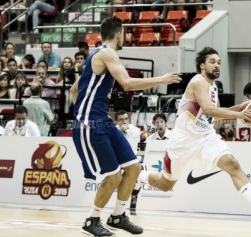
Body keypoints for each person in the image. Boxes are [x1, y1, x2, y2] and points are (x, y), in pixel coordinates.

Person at [134, 47, 251, 222]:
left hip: (205, 137)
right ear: (202, 65)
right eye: (212, 62)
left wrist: (242, 107)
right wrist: (239, 115)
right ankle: (140, 175)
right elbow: (209, 110)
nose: (217, 65)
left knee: (232, 163)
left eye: (219, 62)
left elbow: (217, 112)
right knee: (165, 185)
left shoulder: (214, 87)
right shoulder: (198, 82)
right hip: (183, 140)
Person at [70, 16, 181, 237]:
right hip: (90, 124)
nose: (125, 38)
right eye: (125, 34)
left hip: (103, 121)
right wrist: (162, 79)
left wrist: (86, 110)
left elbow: (74, 90)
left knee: (133, 168)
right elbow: (128, 83)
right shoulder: (106, 53)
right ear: (119, 33)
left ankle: (118, 216)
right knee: (114, 175)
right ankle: (91, 220)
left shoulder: (98, 56)